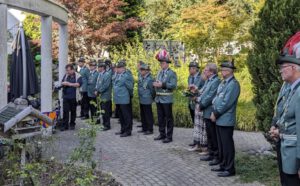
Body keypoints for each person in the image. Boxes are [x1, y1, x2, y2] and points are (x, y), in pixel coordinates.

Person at [270, 36, 300, 185]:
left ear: (294, 68)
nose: (280, 70)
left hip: (295, 157)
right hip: (286, 151)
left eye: (283, 67)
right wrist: (278, 130)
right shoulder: (290, 89)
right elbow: (287, 117)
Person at [210, 61, 240, 177]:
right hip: (219, 119)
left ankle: (230, 168)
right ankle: (223, 165)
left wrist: (216, 113)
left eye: (223, 70)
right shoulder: (224, 83)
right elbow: (217, 98)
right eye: (221, 69)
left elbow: (226, 103)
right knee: (221, 144)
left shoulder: (233, 84)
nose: (221, 71)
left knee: (227, 145)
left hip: (226, 120)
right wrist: (214, 111)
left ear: (229, 71)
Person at [198, 64, 221, 164]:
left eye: (206, 70)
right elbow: (204, 93)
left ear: (212, 72)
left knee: (213, 135)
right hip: (206, 111)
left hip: (210, 110)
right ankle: (211, 153)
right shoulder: (208, 80)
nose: (204, 71)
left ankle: (216, 155)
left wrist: (202, 105)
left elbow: (211, 96)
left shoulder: (216, 81)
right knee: (209, 135)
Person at [269, 82, 290, 185]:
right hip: (280, 135)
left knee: (291, 177)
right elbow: (279, 107)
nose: (281, 71)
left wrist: (280, 131)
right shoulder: (285, 84)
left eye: (284, 67)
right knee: (283, 173)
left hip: (290, 140)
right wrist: (273, 125)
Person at [153, 54, 177, 143]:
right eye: (161, 63)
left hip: (167, 99)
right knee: (160, 118)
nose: (161, 65)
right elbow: (158, 82)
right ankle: (162, 134)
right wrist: (155, 84)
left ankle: (169, 136)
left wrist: (162, 84)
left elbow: (173, 85)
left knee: (169, 118)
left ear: (167, 64)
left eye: (163, 63)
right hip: (159, 98)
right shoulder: (159, 72)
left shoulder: (172, 73)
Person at [113, 60, 134, 137]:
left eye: (118, 68)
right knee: (121, 116)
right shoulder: (117, 75)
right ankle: (123, 129)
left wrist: (130, 95)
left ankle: (128, 131)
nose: (117, 69)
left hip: (124, 99)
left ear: (123, 68)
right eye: (117, 68)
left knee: (126, 116)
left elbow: (130, 87)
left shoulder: (127, 76)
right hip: (118, 99)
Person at [187, 61, 205, 148]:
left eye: (190, 68)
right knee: (194, 123)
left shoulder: (202, 77)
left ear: (195, 69)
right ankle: (195, 140)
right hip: (191, 102)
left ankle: (200, 142)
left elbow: (203, 90)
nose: (189, 70)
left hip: (198, 103)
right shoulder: (190, 77)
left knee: (199, 124)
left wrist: (195, 93)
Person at [60, 64, 82, 131]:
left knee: (73, 111)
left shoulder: (78, 76)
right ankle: (65, 125)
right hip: (66, 96)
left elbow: (78, 84)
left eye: (68, 70)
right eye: (66, 70)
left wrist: (69, 84)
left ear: (73, 69)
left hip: (74, 97)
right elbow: (62, 82)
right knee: (65, 111)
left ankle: (72, 124)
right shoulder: (66, 75)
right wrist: (63, 83)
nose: (67, 72)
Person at [137, 63, 155, 135]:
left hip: (147, 99)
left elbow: (152, 90)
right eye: (141, 70)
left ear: (147, 71)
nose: (141, 71)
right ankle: (144, 128)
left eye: (142, 70)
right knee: (143, 114)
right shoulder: (141, 77)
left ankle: (150, 129)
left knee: (148, 115)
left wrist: (152, 97)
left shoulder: (150, 79)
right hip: (142, 98)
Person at [95, 60, 112, 131]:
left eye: (99, 67)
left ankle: (107, 125)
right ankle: (104, 124)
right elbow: (98, 84)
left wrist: (98, 91)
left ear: (102, 68)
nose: (98, 68)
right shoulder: (100, 74)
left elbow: (106, 85)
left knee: (105, 111)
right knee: (102, 111)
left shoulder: (107, 75)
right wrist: (96, 89)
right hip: (100, 95)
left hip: (105, 96)